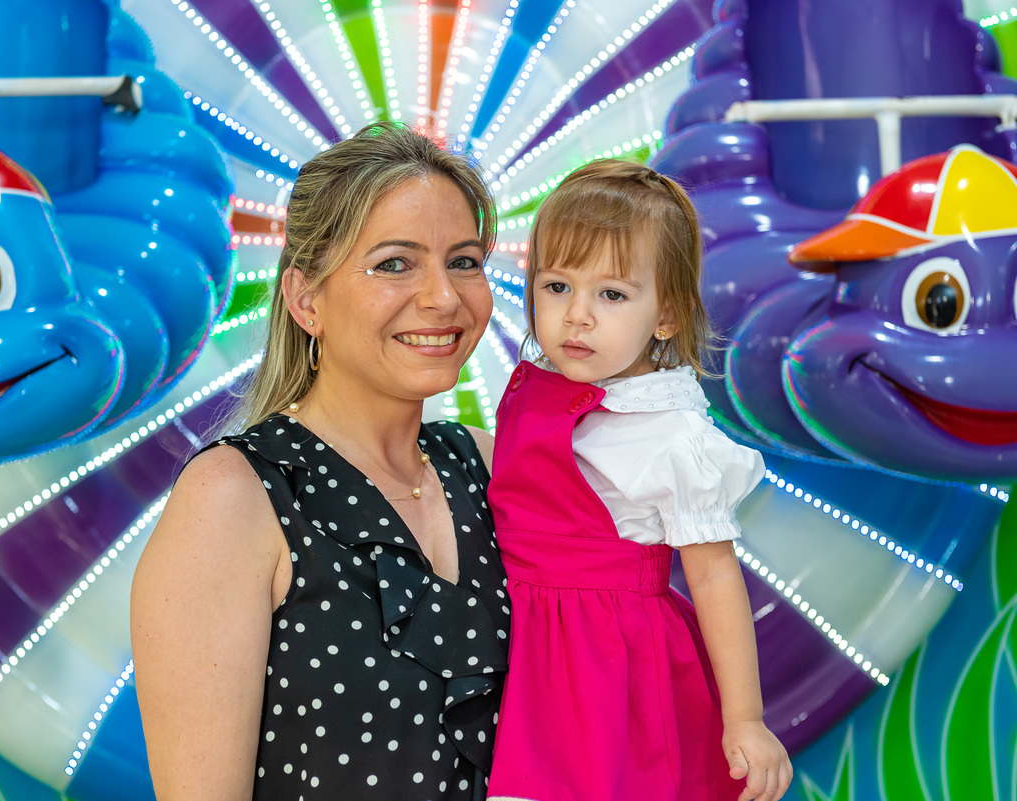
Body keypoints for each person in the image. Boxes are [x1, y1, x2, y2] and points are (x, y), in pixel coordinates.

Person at [130, 122, 510, 801]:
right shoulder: (236, 495)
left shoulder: (488, 465)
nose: (444, 297)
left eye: (464, 260)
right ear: (306, 299)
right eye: (395, 263)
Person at [485, 159, 792, 801]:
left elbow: (711, 575)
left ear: (667, 316)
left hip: (602, 666)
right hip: (512, 640)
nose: (577, 316)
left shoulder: (671, 433)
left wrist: (746, 717)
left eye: (612, 295)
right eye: (557, 286)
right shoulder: (531, 390)